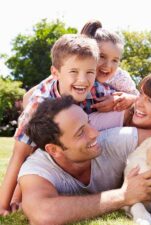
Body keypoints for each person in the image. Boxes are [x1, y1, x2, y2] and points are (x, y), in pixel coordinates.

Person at [18, 96, 151, 225]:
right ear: (54, 150)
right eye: (81, 132)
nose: (95, 133)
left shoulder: (113, 140)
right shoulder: (37, 169)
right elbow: (43, 215)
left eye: (88, 122)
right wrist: (123, 196)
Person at [0, 33, 102, 215]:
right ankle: (18, 196)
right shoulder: (38, 106)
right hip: (42, 114)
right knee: (33, 149)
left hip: (69, 123)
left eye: (90, 72)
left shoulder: (95, 89)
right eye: (74, 72)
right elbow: (19, 154)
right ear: (55, 73)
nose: (83, 80)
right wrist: (3, 204)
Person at [81, 20, 139, 112]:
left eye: (115, 60)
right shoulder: (76, 71)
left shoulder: (120, 77)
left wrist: (124, 99)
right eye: (102, 56)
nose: (108, 65)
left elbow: (138, 99)